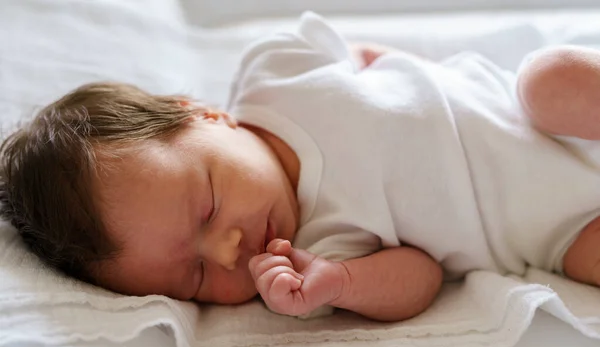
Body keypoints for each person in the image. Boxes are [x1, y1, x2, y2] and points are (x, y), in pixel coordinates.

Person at [1, 12, 599, 322]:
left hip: (533, 114)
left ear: (203, 115)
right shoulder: (316, 251)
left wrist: (413, 77)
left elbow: (362, 57)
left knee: (551, 80)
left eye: (207, 208)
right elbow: (419, 277)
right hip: (560, 231)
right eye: (197, 277)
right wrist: (340, 285)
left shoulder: (276, 75)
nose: (230, 249)